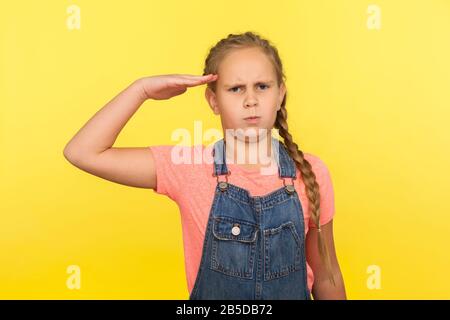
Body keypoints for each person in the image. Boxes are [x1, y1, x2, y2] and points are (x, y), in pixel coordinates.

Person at [63, 31, 347, 300]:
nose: (251, 100)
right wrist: (141, 90)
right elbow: (83, 152)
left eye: (262, 86)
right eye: (235, 89)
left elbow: (327, 275)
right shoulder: (189, 168)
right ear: (213, 101)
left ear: (280, 94)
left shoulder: (311, 171)